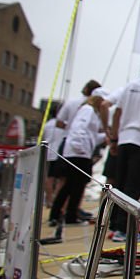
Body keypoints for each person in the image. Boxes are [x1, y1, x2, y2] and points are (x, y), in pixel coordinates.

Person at [98, 55, 140, 242]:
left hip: (124, 140)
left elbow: (114, 111)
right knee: (134, 187)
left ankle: (115, 225)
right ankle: (124, 230)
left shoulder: (129, 86)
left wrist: (112, 136)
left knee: (120, 184)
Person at [49, 90, 107, 228]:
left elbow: (91, 135)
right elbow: (80, 128)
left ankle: (62, 214)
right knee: (75, 185)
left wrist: (105, 136)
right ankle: (66, 214)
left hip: (79, 151)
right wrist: (79, 146)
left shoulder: (91, 112)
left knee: (72, 185)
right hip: (78, 153)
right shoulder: (88, 110)